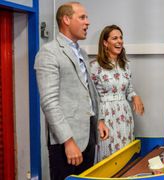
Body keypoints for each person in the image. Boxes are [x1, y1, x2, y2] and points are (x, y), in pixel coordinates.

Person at [34, 2, 108, 180]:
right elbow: (49, 103)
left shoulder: (81, 52)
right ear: (66, 20)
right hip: (67, 140)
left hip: (88, 134)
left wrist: (99, 119)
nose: (88, 22)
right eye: (82, 17)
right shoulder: (49, 53)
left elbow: (88, 89)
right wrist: (68, 141)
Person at [90, 25, 144, 162]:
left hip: (124, 115)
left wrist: (135, 96)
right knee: (107, 156)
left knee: (125, 155)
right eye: (115, 38)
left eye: (121, 38)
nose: (119, 41)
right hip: (105, 116)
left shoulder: (125, 65)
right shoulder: (94, 66)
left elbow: (129, 88)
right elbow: (90, 96)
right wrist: (98, 120)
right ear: (105, 43)